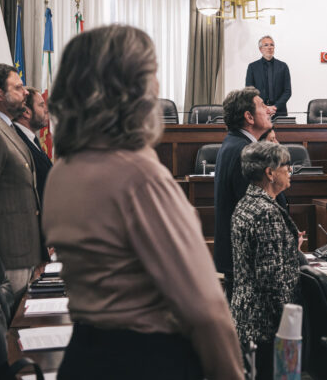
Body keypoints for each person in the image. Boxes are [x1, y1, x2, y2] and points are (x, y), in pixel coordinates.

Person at [43, 25, 245, 379]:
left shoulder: (61, 171)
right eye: (152, 74)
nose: (157, 87)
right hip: (147, 360)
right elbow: (205, 308)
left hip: (84, 357)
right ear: (129, 90)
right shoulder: (139, 176)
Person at [231, 141, 302, 380]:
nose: (290, 170)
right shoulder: (266, 212)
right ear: (270, 173)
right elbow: (270, 278)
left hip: (245, 317)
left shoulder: (246, 203)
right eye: (285, 165)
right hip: (264, 324)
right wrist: (288, 322)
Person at [0, 62, 41, 296]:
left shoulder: (5, 127)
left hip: (21, 254)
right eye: (18, 87)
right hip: (4, 258)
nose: (26, 93)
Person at [214, 86, 273, 299]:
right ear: (249, 117)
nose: (269, 110)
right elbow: (255, 210)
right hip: (248, 260)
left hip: (238, 257)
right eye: (262, 106)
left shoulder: (234, 142)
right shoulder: (245, 150)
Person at [13, 87, 53, 204]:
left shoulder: (31, 139)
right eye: (41, 105)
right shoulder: (18, 141)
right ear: (26, 112)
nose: (46, 110)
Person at [245, 35, 292, 117]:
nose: (269, 47)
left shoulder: (283, 66)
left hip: (279, 111)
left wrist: (275, 107)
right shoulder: (253, 67)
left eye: (272, 45)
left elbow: (287, 91)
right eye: (266, 45)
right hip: (259, 112)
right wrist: (264, 107)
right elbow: (249, 92)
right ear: (260, 49)